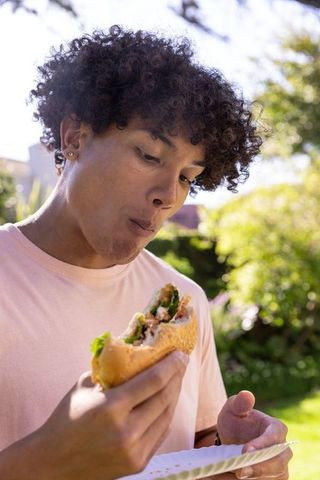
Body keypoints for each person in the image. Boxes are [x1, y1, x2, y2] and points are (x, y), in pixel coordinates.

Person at [0, 26, 292, 479]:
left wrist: (232, 453)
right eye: (150, 155)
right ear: (75, 136)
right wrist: (47, 460)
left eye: (187, 177)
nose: (168, 196)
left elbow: (190, 448)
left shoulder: (183, 302)